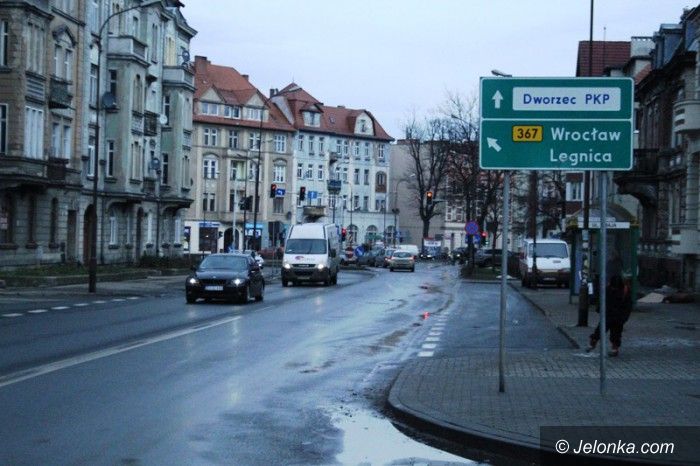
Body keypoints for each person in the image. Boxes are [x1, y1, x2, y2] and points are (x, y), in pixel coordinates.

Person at [587, 275, 632, 356]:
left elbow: (628, 306)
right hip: (610, 314)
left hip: (617, 315)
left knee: (615, 333)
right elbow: (602, 300)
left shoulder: (623, 290)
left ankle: (614, 348)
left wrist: (624, 317)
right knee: (601, 330)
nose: (614, 289)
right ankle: (594, 342)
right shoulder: (609, 289)